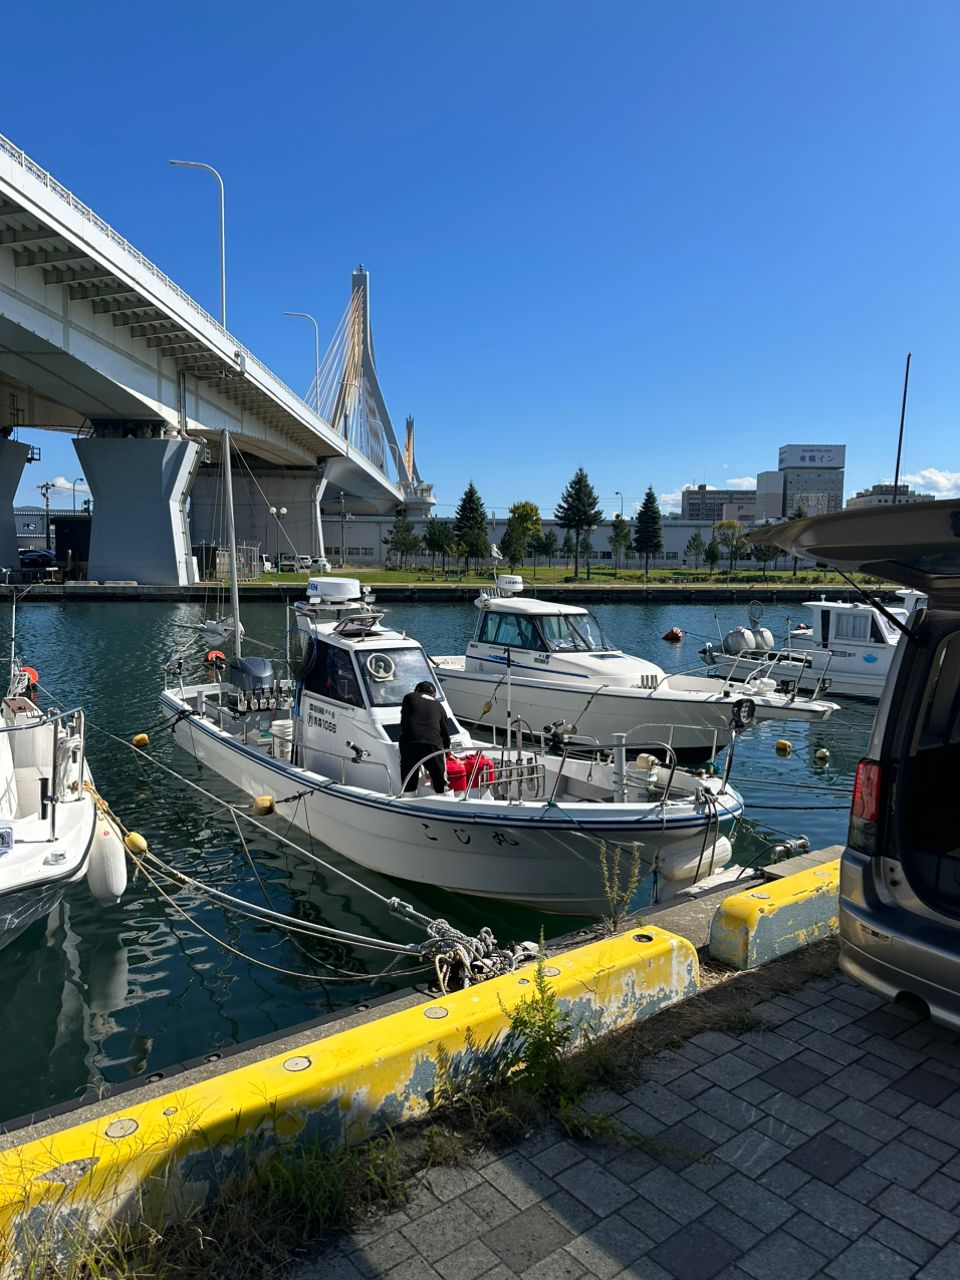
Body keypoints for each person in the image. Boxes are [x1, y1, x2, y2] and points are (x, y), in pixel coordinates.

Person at [399, 680, 451, 793]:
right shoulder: (439, 706)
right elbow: (445, 735)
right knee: (439, 783)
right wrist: (446, 754)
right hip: (432, 745)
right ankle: (442, 798)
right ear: (434, 695)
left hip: (409, 743)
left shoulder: (409, 697)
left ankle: (408, 798)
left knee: (409, 783)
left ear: (417, 691)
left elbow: (403, 723)